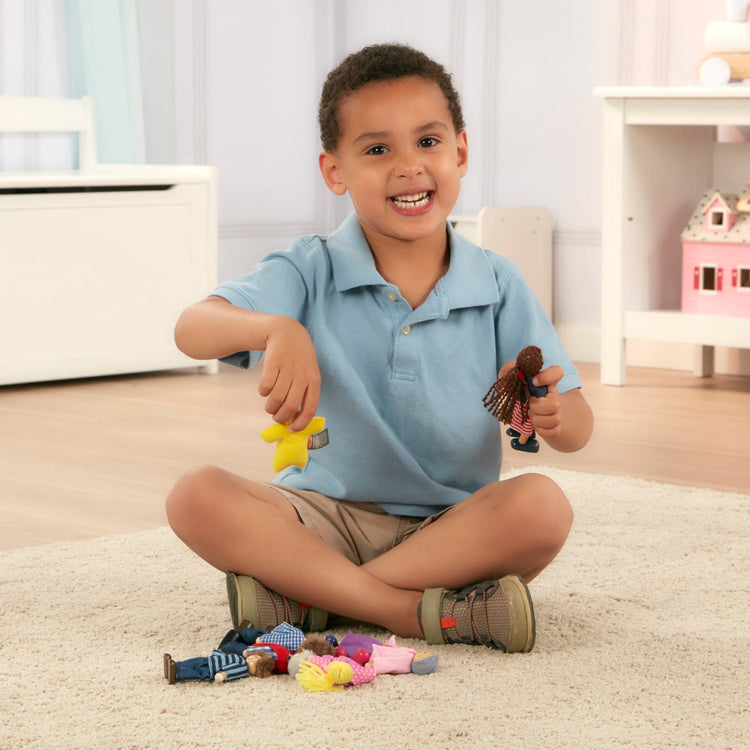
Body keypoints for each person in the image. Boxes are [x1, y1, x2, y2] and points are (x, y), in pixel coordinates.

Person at [166, 43, 594, 652]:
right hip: (321, 517)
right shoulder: (309, 267)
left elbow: (576, 428)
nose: (409, 166)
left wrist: (555, 416)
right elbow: (192, 327)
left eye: (427, 142)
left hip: (452, 528)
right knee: (194, 496)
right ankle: (413, 612)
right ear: (334, 171)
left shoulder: (498, 282)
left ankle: (316, 598)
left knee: (543, 507)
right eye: (376, 149)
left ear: (461, 151)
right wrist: (276, 329)